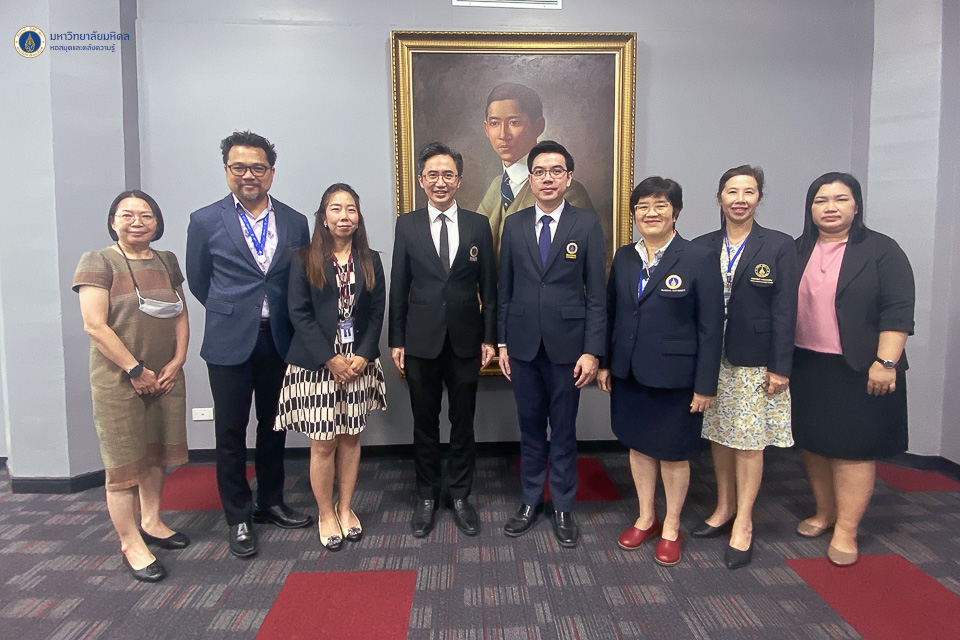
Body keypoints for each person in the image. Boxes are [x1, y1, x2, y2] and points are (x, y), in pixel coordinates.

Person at [186, 130, 311, 558]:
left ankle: (271, 502)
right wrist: (233, 310)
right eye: (238, 167)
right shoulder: (205, 220)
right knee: (230, 432)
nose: (248, 175)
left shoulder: (295, 221)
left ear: (271, 172)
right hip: (229, 340)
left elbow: (299, 280)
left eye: (257, 167)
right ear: (227, 171)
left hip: (278, 339)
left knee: (274, 426)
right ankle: (238, 516)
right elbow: (200, 280)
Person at [597, 176, 724, 566]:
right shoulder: (625, 257)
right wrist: (606, 362)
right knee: (638, 446)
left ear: (676, 212)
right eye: (643, 207)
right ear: (634, 214)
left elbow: (711, 328)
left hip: (676, 377)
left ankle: (670, 526)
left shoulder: (699, 257)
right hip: (629, 374)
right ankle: (645, 517)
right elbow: (612, 313)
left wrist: (705, 385)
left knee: (672, 453)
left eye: (660, 205)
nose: (650, 213)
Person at [791, 172, 914, 567]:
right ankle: (824, 513)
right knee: (814, 443)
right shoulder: (796, 250)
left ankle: (846, 528)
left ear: (856, 206)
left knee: (853, 450)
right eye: (821, 200)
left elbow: (898, 310)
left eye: (840, 199)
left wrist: (886, 362)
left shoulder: (881, 249)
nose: (830, 208)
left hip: (862, 367)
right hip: (808, 364)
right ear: (810, 208)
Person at [74, 190, 189, 583]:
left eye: (146, 215)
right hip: (120, 381)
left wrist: (178, 360)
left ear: (158, 222)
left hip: (165, 376)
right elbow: (94, 325)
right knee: (123, 465)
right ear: (113, 221)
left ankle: (152, 521)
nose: (137, 222)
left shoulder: (166, 260)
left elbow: (180, 313)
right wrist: (135, 370)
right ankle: (130, 543)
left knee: (156, 454)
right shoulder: (98, 261)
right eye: (127, 215)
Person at [497, 140, 606, 547]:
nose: (547, 178)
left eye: (556, 171)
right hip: (522, 346)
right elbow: (504, 290)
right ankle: (530, 501)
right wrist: (502, 343)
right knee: (529, 428)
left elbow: (597, 296)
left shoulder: (587, 224)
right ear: (530, 178)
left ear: (568, 177)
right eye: (540, 171)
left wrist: (592, 351)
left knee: (562, 430)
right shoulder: (514, 224)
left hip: (569, 348)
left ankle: (562, 505)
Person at [691, 165, 798, 569]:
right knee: (720, 434)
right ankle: (724, 507)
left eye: (748, 192)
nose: (740, 199)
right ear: (719, 197)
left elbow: (786, 310)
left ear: (759, 198)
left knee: (749, 440)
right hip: (710, 356)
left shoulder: (778, 245)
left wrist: (780, 366)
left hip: (755, 359)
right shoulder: (701, 245)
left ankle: (745, 522)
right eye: (732, 191)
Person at [389, 142, 497, 538]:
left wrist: (490, 336)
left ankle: (462, 495)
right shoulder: (408, 225)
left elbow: (491, 288)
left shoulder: (477, 225)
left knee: (463, 422)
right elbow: (399, 285)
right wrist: (396, 339)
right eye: (432, 175)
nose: (440, 181)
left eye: (448, 174)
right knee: (424, 422)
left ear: (459, 180)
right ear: (421, 180)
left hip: (467, 340)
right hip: (420, 340)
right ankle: (427, 496)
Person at [275, 183, 387, 550]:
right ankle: (325, 513)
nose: (344, 216)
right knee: (323, 443)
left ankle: (346, 507)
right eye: (336, 209)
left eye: (351, 209)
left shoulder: (371, 259)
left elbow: (376, 313)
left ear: (358, 216)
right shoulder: (302, 258)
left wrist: (363, 355)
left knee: (351, 439)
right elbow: (298, 313)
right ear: (323, 217)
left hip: (357, 363)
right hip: (317, 363)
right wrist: (330, 358)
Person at [477, 82, 594, 254]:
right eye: (494, 123)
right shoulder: (496, 187)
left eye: (514, 122)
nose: (503, 135)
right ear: (486, 129)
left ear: (538, 127)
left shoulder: (568, 192)